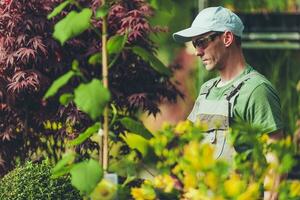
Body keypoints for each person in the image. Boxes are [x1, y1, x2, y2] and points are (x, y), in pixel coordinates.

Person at [172, 6, 284, 161]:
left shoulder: (257, 90)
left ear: (227, 39)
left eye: (201, 42)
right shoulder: (206, 90)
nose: (197, 52)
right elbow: (190, 142)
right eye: (194, 44)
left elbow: (275, 163)